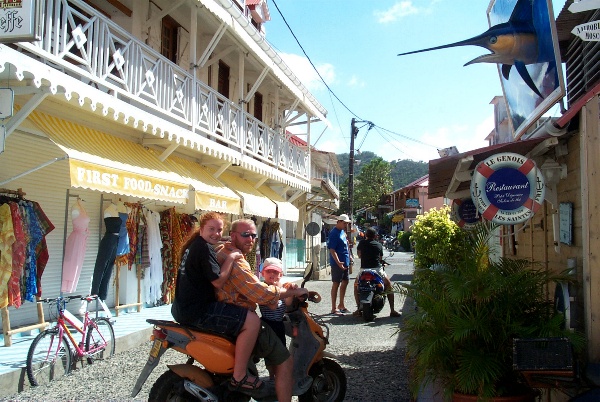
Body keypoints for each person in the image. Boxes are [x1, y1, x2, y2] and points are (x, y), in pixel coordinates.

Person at [216, 219, 309, 402]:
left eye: (253, 235)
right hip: (239, 318)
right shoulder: (236, 260)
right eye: (245, 235)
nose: (250, 239)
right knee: (285, 362)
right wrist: (295, 291)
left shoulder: (224, 250)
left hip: (228, 314)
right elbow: (261, 293)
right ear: (233, 235)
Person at [171, 212, 264, 395]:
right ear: (202, 228)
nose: (216, 234)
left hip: (182, 308)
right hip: (199, 311)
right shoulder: (204, 249)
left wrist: (231, 241)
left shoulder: (197, 245)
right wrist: (232, 257)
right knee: (252, 321)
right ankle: (239, 376)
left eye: (220, 230)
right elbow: (218, 282)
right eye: (211, 229)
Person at [258, 257, 297, 379]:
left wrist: (291, 290)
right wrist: (278, 290)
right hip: (267, 325)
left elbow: (288, 303)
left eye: (275, 272)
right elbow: (273, 306)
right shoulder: (263, 288)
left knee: (281, 350)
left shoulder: (282, 287)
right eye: (269, 271)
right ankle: (271, 376)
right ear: (262, 273)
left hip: (279, 324)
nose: (272, 275)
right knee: (270, 353)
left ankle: (281, 375)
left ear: (281, 274)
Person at [353, 228, 401, 317]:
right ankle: (392, 310)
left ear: (366, 235)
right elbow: (380, 259)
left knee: (356, 285)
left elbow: (359, 255)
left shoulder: (362, 243)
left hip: (364, 269)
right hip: (377, 270)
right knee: (389, 285)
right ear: (375, 236)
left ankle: (358, 309)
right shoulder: (378, 245)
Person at [327, 214, 352, 315]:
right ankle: (333, 308)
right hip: (338, 263)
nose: (346, 225)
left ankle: (341, 304)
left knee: (345, 281)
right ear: (339, 222)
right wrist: (338, 262)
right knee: (336, 283)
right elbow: (332, 250)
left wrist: (350, 257)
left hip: (345, 261)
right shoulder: (334, 233)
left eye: (346, 223)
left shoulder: (342, 232)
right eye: (344, 223)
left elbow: (346, 246)